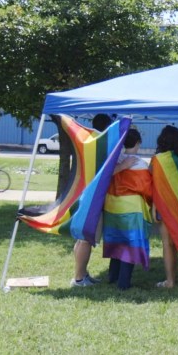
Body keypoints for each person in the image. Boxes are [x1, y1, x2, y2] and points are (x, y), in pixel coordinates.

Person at [103, 129, 153, 290]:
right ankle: (124, 283)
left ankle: (112, 276)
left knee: (117, 239)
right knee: (130, 243)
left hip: (113, 205)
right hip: (132, 208)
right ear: (138, 143)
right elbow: (147, 188)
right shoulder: (141, 164)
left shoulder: (114, 160)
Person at [71, 113, 113, 287]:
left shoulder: (89, 143)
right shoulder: (102, 145)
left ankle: (82, 274)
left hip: (84, 195)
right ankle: (79, 278)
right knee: (86, 238)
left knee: (83, 238)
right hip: (92, 199)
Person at [152, 125, 178, 288]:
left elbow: (153, 184)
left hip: (163, 206)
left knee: (167, 244)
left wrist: (153, 207)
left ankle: (170, 281)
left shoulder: (157, 160)